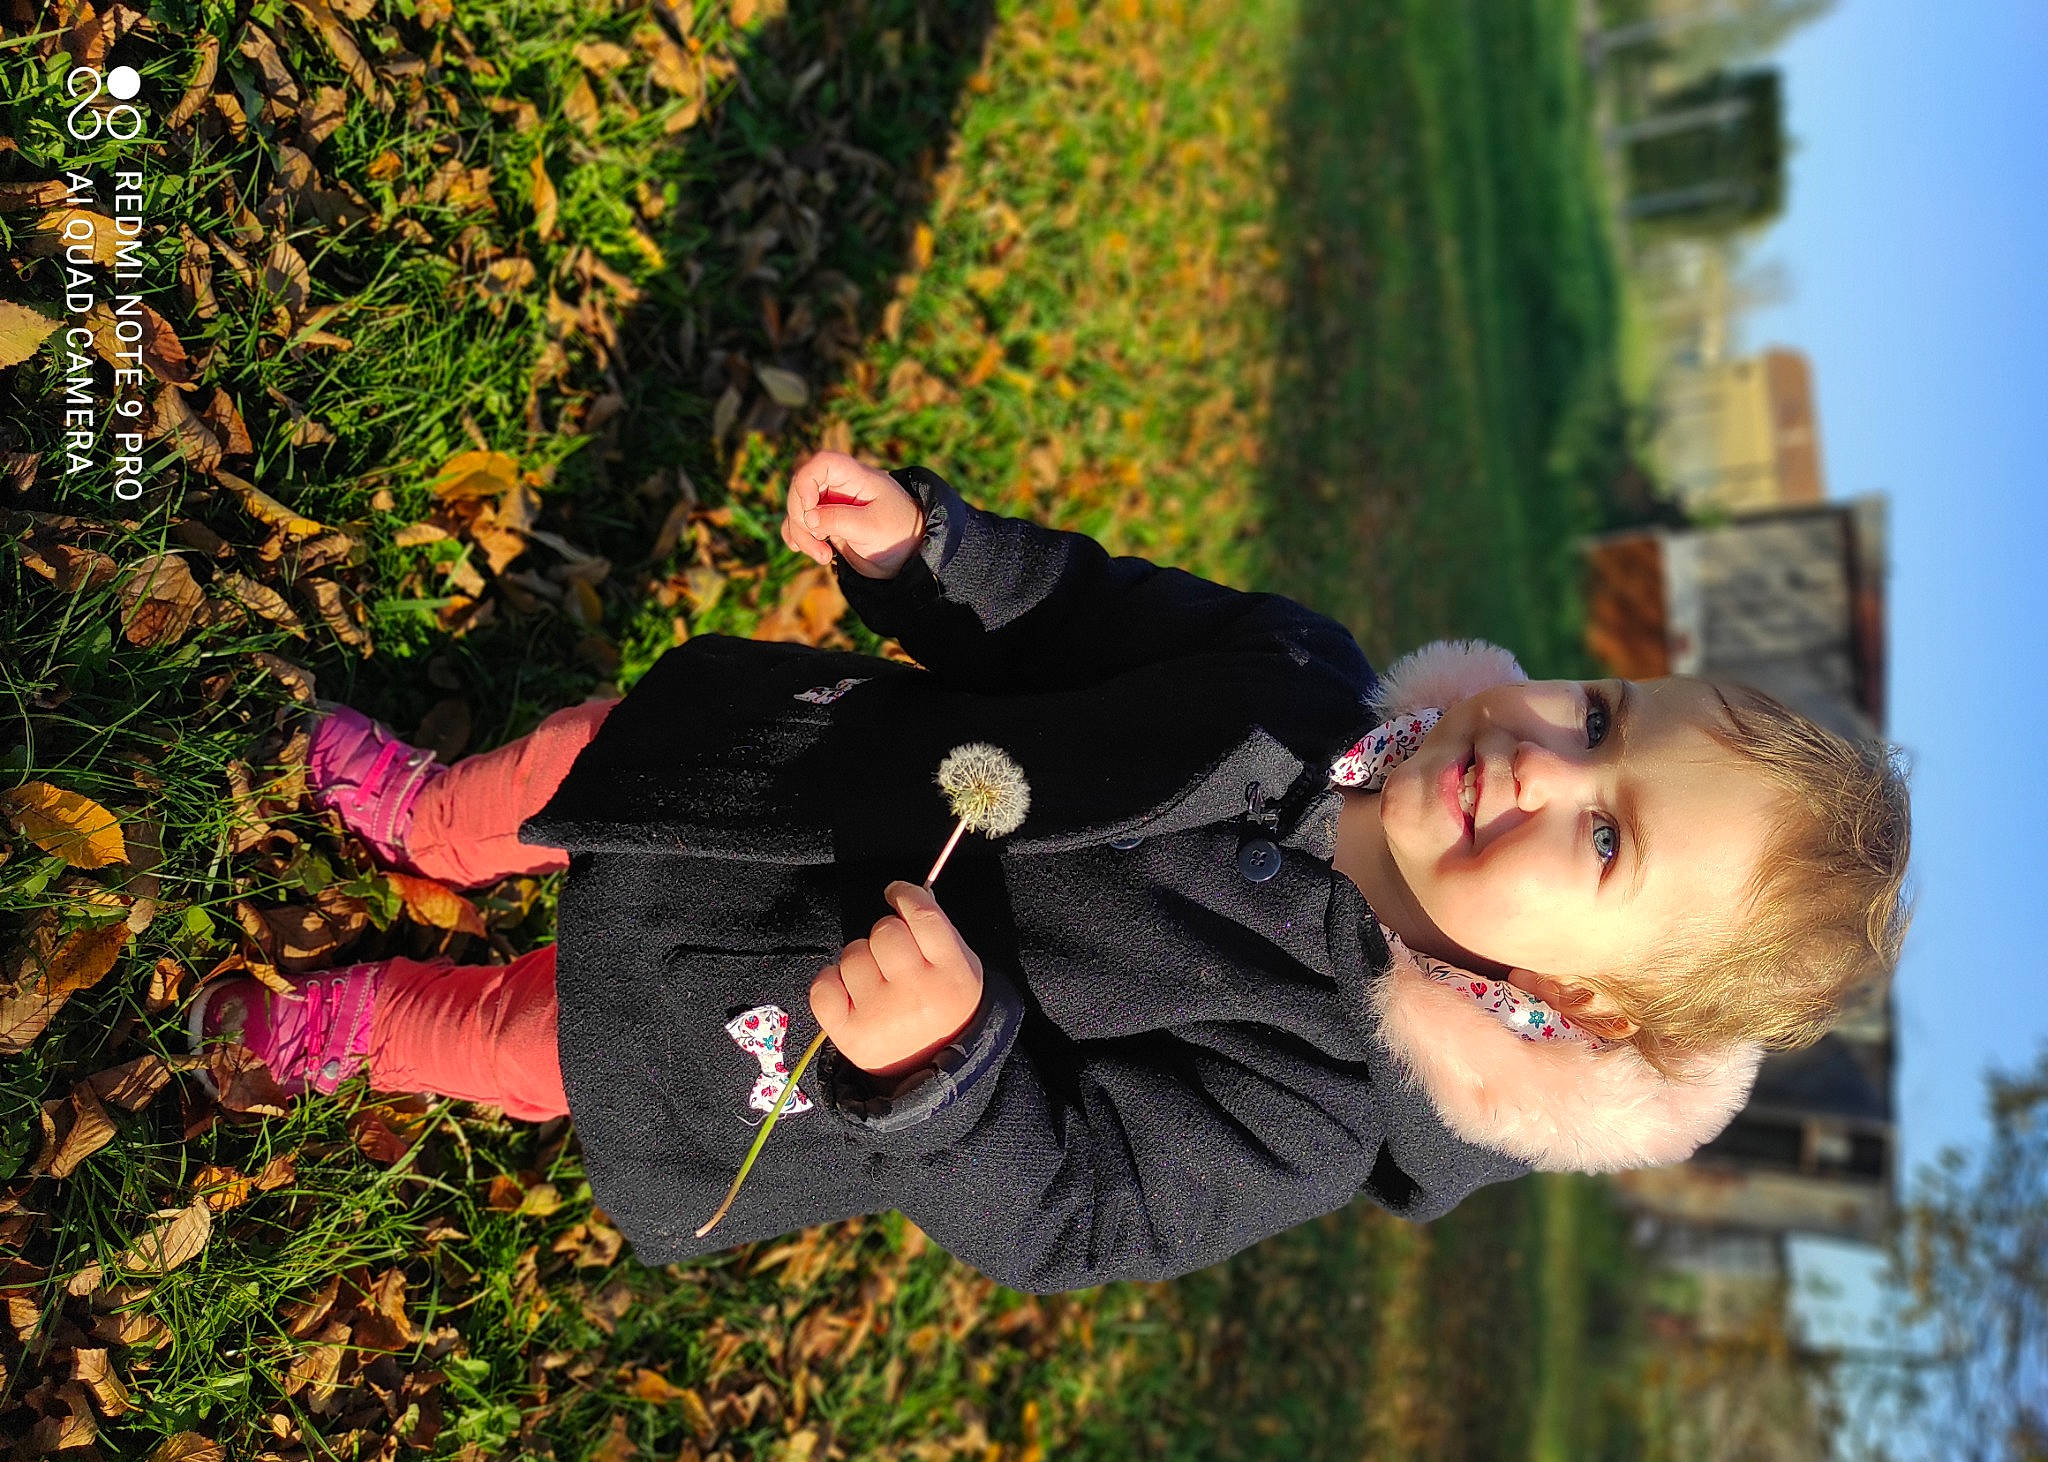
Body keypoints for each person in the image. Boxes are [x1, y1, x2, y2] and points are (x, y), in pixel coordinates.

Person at [188, 452, 1912, 1294]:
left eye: (1605, 837)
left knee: (541, 1042)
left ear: (1579, 1010)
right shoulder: (1310, 680)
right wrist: (931, 555)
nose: (1548, 760)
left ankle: (350, 1028)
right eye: (1604, 711)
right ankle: (428, 822)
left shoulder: (1327, 1094)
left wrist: (948, 1077)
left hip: (792, 1019)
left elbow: (1089, 1212)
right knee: (588, 758)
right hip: (794, 776)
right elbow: (1092, 614)